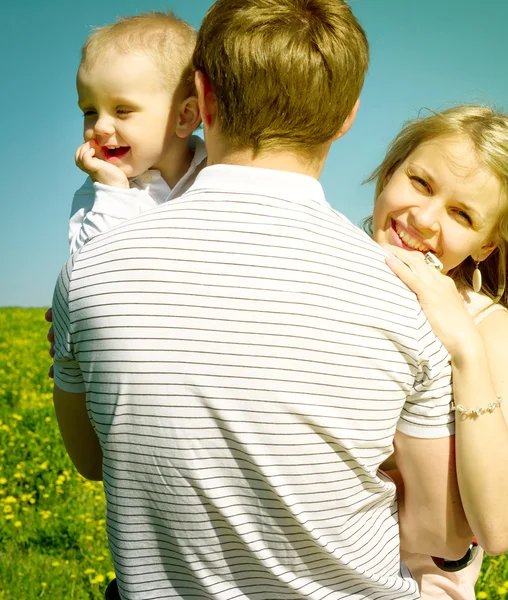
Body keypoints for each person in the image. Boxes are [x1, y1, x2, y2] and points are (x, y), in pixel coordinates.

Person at [51, 1, 476, 598]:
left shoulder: (90, 268)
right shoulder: (410, 295)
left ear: (203, 95)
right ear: (347, 116)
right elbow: (436, 534)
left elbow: (92, 461)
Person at [366, 105, 508, 599]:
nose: (424, 218)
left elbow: (500, 528)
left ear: (486, 245)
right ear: (392, 169)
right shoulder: (321, 270)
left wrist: (464, 349)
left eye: (462, 214)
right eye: (420, 182)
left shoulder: (490, 330)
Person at [69, 11, 206, 255]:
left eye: (122, 110)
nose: (99, 126)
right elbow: (86, 267)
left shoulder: (215, 171)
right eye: (89, 111)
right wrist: (114, 191)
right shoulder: (100, 191)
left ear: (184, 117)